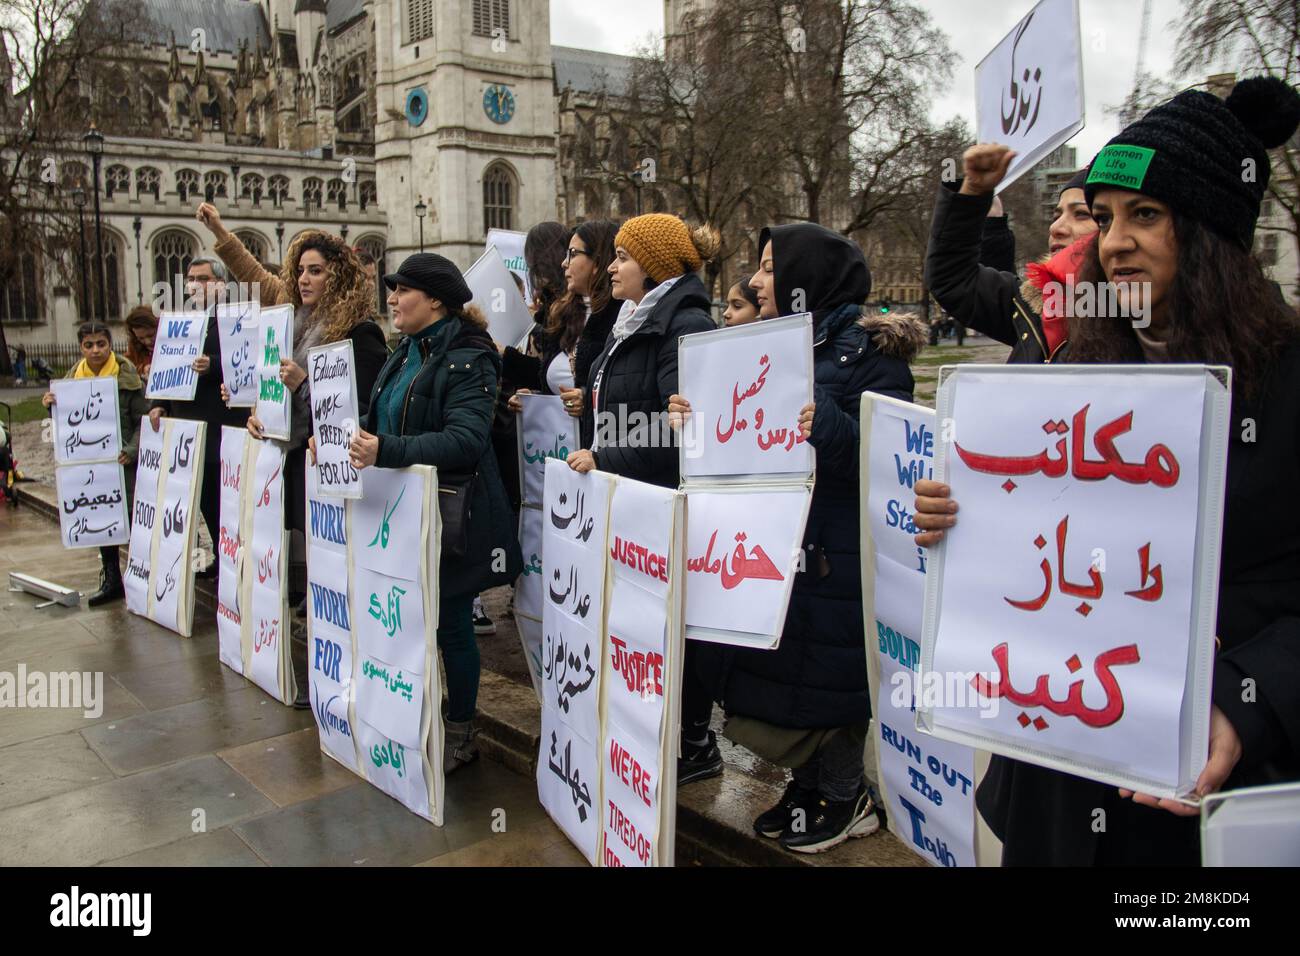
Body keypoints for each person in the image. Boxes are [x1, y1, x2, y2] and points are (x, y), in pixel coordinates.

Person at [914, 76, 1300, 866]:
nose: (1112, 242)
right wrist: (962, 524)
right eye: (1104, 216)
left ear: (1211, 231)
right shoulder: (1076, 375)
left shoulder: (1288, 376)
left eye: (1144, 215)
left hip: (1205, 796)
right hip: (1058, 779)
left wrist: (1246, 703)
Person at [673, 223, 924, 853]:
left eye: (767, 267)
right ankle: (807, 788)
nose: (755, 280)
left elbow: (884, 454)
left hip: (832, 550)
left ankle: (846, 797)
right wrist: (694, 419)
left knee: (830, 681)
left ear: (806, 278)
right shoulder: (765, 346)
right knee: (791, 675)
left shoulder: (872, 356)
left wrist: (829, 423)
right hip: (778, 543)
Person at [199, 203, 390, 707]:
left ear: (339, 277)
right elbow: (255, 277)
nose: (303, 279)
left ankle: (345, 680)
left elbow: (361, 407)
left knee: (333, 574)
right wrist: (260, 411)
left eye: (315, 271)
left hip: (332, 473)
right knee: (305, 569)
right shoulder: (292, 319)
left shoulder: (359, 333)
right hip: (290, 464)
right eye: (300, 270)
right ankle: (315, 669)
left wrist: (303, 384)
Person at [347, 253, 523, 771]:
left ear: (437, 301)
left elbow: (465, 440)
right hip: (396, 512)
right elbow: (381, 414)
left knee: (450, 626)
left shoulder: (471, 356)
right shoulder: (405, 351)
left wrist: (386, 451)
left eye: (402, 290)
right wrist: (338, 434)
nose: (392, 299)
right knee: (404, 622)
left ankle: (460, 731)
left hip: (448, 517)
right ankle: (410, 714)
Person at [565, 213, 720, 779]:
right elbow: (634, 404)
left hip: (661, 503)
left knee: (673, 629)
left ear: (653, 268)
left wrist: (605, 455)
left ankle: (694, 744)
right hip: (633, 500)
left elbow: (681, 431)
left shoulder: (684, 325)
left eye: (624, 258)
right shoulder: (635, 320)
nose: (612, 266)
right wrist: (593, 404)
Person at [926, 148, 1098, 363]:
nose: (1056, 227)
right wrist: (974, 199)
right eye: (1056, 214)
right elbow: (952, 279)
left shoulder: (1139, 312)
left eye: (1081, 214)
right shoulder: (1033, 303)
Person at [145, 257, 249, 580]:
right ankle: (219, 554)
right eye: (191, 279)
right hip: (186, 422)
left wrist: (213, 365)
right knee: (202, 496)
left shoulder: (236, 317)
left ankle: (233, 560)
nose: (195, 285)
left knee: (223, 499)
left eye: (203, 279)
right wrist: (159, 402)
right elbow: (167, 361)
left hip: (218, 420)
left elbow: (245, 362)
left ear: (221, 283)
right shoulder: (181, 318)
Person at [43, 322, 150, 604]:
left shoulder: (126, 375)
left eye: (101, 344)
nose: (95, 350)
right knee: (103, 520)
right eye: (89, 345)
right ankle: (112, 578)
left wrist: (132, 449)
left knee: (135, 521)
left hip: (125, 463)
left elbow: (144, 420)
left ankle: (143, 576)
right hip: (94, 468)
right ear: (81, 347)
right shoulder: (72, 379)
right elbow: (65, 421)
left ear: (109, 344)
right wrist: (50, 404)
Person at [123, 306, 158, 380]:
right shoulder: (134, 347)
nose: (147, 342)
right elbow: (126, 368)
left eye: (151, 335)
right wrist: (142, 369)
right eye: (140, 338)